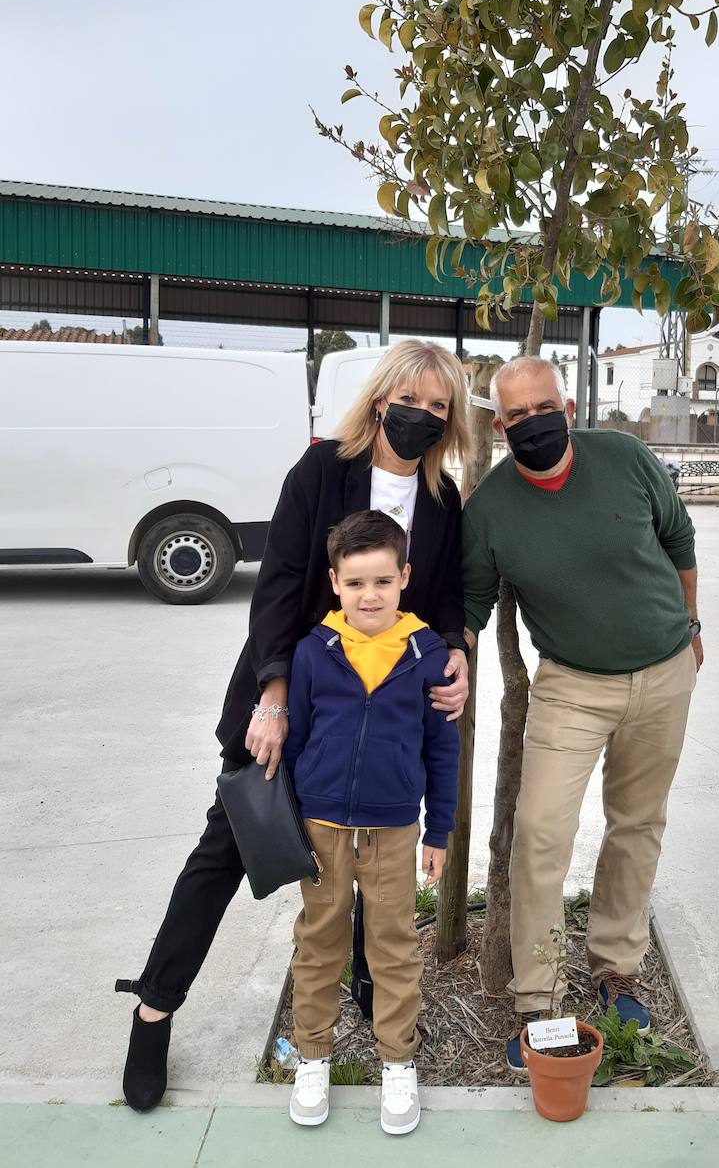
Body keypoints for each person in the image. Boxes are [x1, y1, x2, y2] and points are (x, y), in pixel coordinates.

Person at [117, 340, 471, 1112]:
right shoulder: (321, 471)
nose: (422, 415)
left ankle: (373, 1017)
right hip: (292, 699)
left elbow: (448, 598)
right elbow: (278, 582)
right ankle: (153, 1009)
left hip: (385, 710)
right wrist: (272, 695)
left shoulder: (443, 500)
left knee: (367, 863)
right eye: (410, 399)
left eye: (439, 407)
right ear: (381, 400)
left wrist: (459, 650)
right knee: (227, 848)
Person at [461, 356, 703, 1071]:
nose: (534, 423)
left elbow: (678, 538)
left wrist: (691, 626)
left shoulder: (623, 456)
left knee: (637, 824)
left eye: (546, 408)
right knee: (538, 831)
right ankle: (537, 999)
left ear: (567, 408)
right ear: (500, 426)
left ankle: (615, 967)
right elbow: (471, 604)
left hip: (664, 673)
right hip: (570, 684)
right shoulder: (491, 508)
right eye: (518, 416)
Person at [283, 510, 457, 1134]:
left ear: (405, 577)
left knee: (393, 946)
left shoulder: (428, 653)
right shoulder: (313, 652)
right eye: (355, 584)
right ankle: (312, 1056)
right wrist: (292, 822)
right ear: (334, 582)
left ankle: (398, 1063)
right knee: (319, 941)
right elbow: (297, 738)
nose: (370, 596)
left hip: (394, 830)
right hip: (323, 828)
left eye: (383, 581)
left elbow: (442, 748)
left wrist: (439, 831)